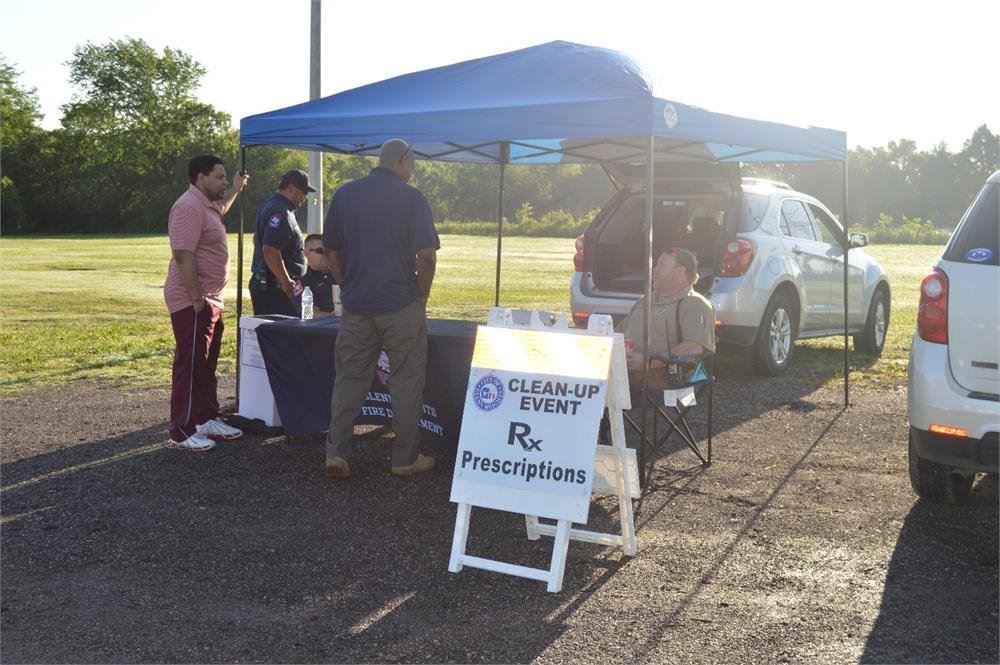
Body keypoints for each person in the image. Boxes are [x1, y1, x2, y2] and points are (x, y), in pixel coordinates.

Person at [321, 139, 439, 479]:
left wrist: (347, 284)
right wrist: (422, 296)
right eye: (412, 161)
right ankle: (404, 458)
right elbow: (427, 255)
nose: (413, 167)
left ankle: (337, 453)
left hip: (357, 306)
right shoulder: (411, 197)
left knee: (349, 378)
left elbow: (330, 250)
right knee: (406, 380)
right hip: (401, 303)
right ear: (402, 161)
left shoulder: (345, 194)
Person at [163, 154, 248, 450]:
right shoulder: (188, 206)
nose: (224, 181)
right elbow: (182, 255)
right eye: (220, 177)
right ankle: (182, 430)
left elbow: (222, 208)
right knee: (190, 364)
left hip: (211, 299)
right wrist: (197, 297)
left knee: (205, 364)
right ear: (201, 178)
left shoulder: (207, 205)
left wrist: (236, 189)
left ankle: (205, 418)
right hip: (193, 301)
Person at [618, 248, 715, 380]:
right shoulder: (644, 301)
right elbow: (617, 334)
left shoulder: (695, 304)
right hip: (621, 377)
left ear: (680, 272)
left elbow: (693, 348)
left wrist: (648, 362)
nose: (654, 270)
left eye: (661, 265)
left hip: (662, 384)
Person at [249, 169, 316, 316]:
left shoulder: (271, 205)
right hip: (276, 290)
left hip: (269, 285)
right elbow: (270, 249)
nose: (304, 197)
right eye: (303, 192)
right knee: (282, 335)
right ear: (291, 188)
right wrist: (286, 282)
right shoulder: (281, 212)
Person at [295, 233, 338, 317]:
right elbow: (310, 314)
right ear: (306, 253)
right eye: (320, 251)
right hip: (322, 328)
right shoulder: (304, 284)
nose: (326, 254)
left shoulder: (341, 275)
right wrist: (335, 316)